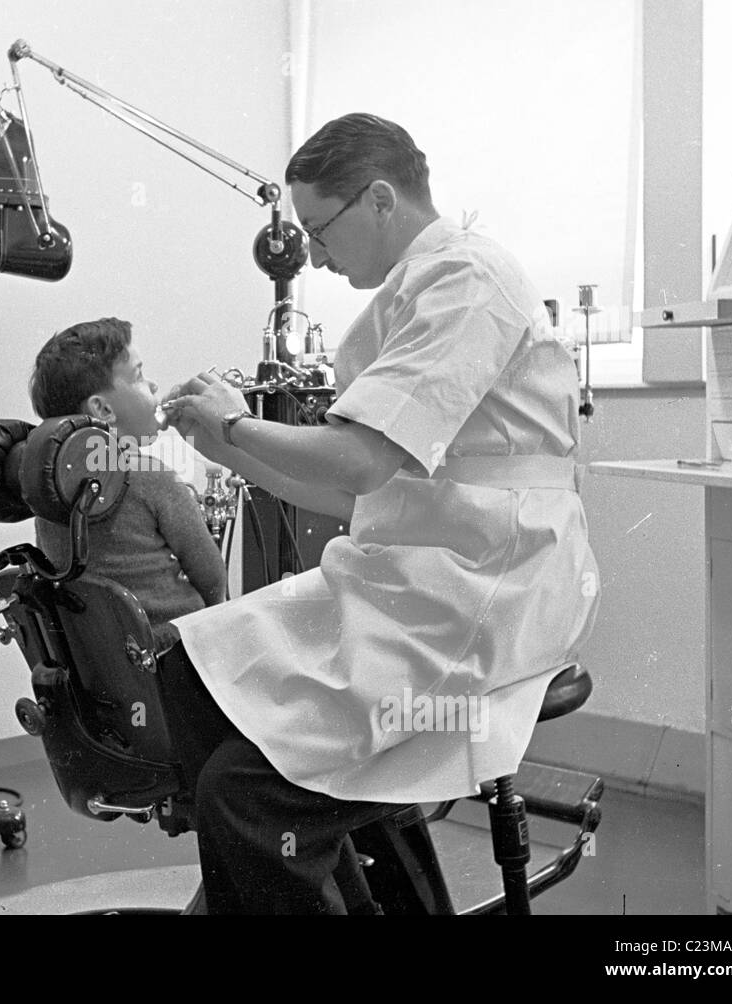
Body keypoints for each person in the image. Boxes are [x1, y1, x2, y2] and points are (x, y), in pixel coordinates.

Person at [159, 113, 602, 914]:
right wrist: (230, 453)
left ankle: (277, 867)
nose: (315, 256)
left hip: (490, 584)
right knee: (184, 668)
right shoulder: (409, 295)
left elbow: (361, 460)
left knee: (244, 791)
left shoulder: (468, 278)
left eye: (318, 230)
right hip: (420, 567)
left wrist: (234, 423)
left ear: (381, 199)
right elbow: (354, 494)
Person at [28, 318, 226, 641]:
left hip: (105, 664)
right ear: (103, 409)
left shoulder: (48, 490)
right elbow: (214, 577)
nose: (153, 386)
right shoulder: (151, 475)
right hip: (175, 655)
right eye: (139, 375)